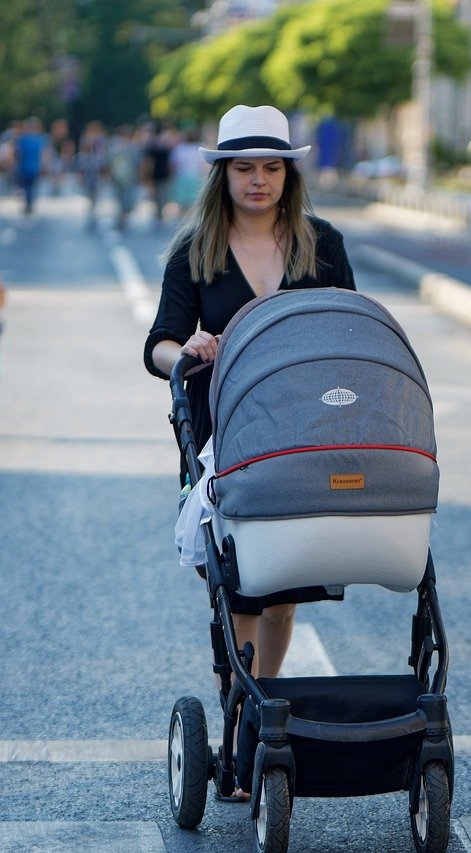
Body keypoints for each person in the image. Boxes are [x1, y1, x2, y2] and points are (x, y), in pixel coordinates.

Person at [143, 107, 355, 794]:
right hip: (225, 434)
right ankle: (242, 720)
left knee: (283, 588)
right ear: (223, 175)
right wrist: (191, 347)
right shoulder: (195, 250)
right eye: (244, 168)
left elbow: (350, 326)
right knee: (239, 588)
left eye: (270, 167)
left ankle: (261, 716)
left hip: (304, 430)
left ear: (288, 174)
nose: (258, 179)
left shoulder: (322, 244)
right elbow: (158, 345)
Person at [76, 121, 110, 229]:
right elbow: (83, 155)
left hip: (97, 171)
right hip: (89, 171)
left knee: (95, 194)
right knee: (90, 194)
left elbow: (103, 158)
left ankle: (93, 212)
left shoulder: (101, 140)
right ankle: (92, 211)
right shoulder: (86, 140)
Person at [14, 118, 48, 216]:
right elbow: (43, 155)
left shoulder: (22, 139)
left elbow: (18, 154)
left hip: (25, 167)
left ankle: (28, 204)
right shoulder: (39, 139)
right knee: (31, 187)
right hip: (34, 167)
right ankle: (30, 204)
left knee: (26, 187)